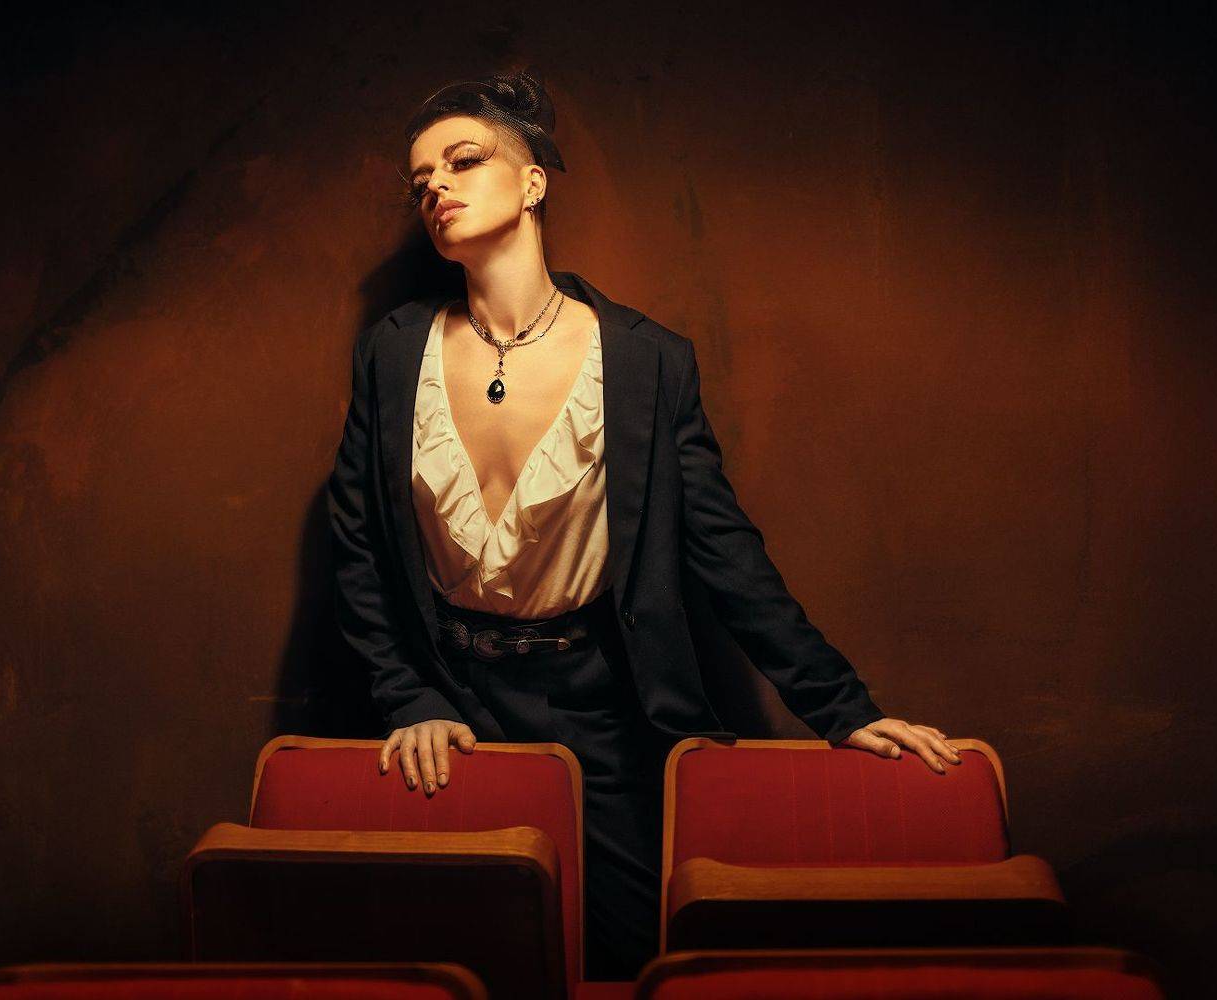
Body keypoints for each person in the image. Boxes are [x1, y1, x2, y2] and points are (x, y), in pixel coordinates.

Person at [326, 68, 962, 982]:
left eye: (462, 162)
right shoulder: (393, 352)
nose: (436, 187)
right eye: (420, 177)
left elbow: (724, 551)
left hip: (598, 708)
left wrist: (844, 709)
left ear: (533, 181)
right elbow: (355, 544)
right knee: (466, 958)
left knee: (628, 957)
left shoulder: (643, 361)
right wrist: (409, 698)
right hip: (448, 706)